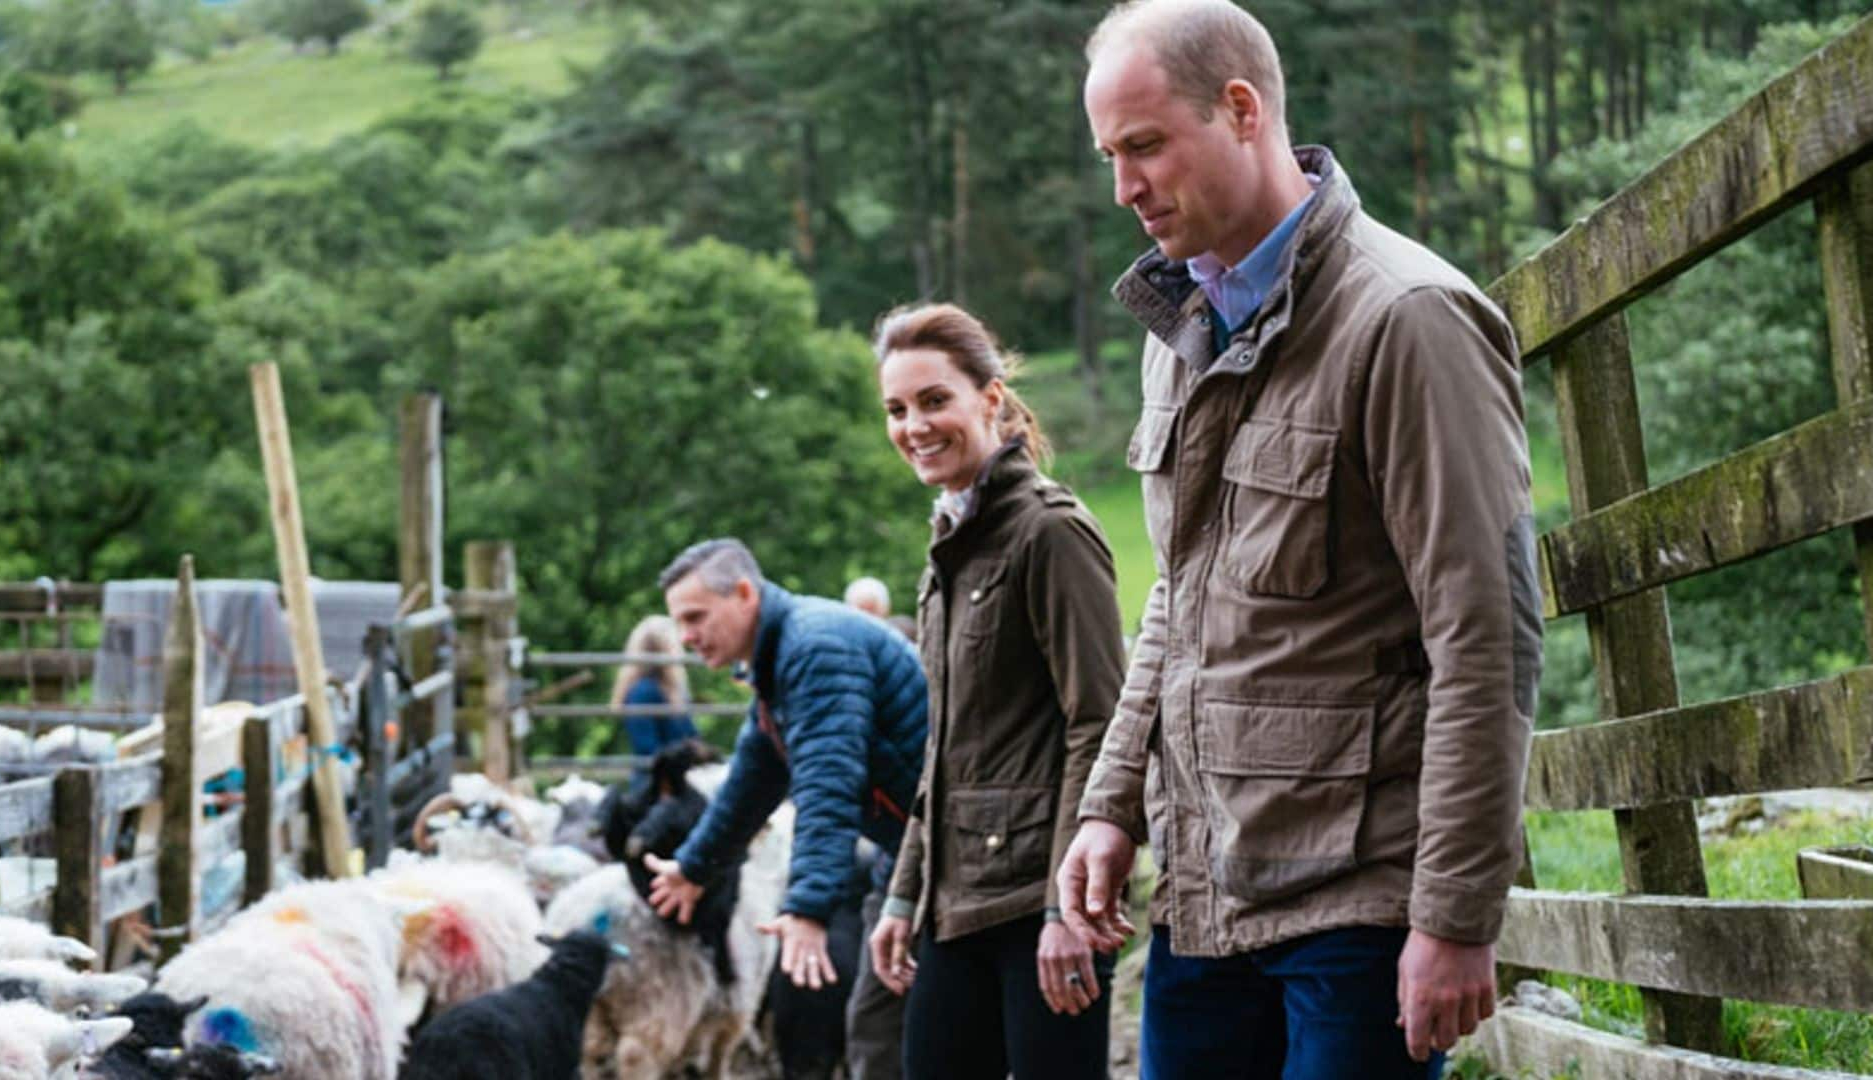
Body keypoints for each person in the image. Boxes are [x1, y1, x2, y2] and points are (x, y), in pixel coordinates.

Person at [1058, 2, 1544, 1078]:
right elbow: (1177, 604)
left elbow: (1489, 636)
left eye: (1145, 147)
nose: (1125, 189)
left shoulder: (1408, 319)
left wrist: (1457, 916)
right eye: (1109, 157)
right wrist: (1112, 807)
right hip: (1204, 895)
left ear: (1241, 110)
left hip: (1357, 911)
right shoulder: (1176, 334)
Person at [865, 303, 1126, 1080]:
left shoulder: (1051, 533)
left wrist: (1066, 910)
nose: (914, 425)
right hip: (956, 902)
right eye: (897, 409)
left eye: (934, 399)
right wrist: (903, 896)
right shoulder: (947, 551)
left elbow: (1099, 726)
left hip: (1039, 909)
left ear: (991, 397)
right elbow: (944, 753)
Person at [643, 539, 920, 1080]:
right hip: (908, 853)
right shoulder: (779, 657)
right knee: (878, 1026)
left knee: (909, 1031)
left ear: (744, 593)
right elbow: (755, 774)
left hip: (949, 854)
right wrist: (694, 866)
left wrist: (810, 908)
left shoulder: (813, 649)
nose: (686, 637)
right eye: (678, 622)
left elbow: (827, 781)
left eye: (696, 617)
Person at [611, 614, 699, 762]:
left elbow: (691, 736)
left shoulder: (673, 690)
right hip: (660, 778)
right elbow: (648, 749)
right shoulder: (643, 691)